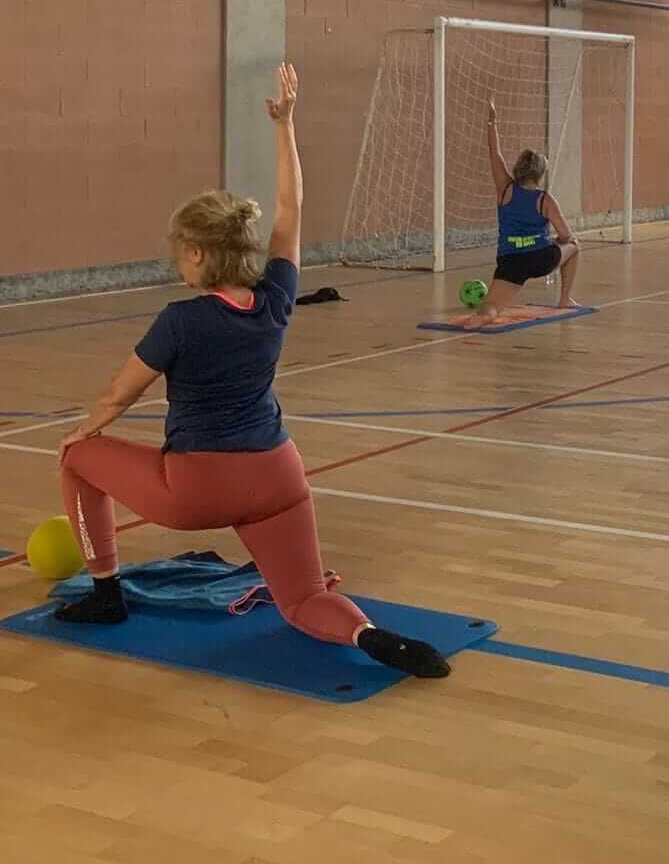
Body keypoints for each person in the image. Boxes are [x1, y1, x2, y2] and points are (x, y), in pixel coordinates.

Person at [54, 65, 449, 679]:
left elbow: (117, 395)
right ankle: (369, 636)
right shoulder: (276, 298)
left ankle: (105, 594)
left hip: (197, 488)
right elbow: (292, 207)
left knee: (78, 459)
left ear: (198, 253)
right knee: (302, 600)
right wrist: (285, 124)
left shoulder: (179, 321)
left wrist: (85, 433)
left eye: (178, 250)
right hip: (278, 477)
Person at [467, 99, 582, 325]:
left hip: (510, 260)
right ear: (540, 175)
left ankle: (481, 318)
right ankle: (565, 299)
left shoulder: (505, 188)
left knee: (490, 307)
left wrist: (492, 122)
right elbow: (567, 236)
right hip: (540, 259)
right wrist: (553, 241)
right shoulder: (545, 199)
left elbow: (494, 154)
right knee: (575, 246)